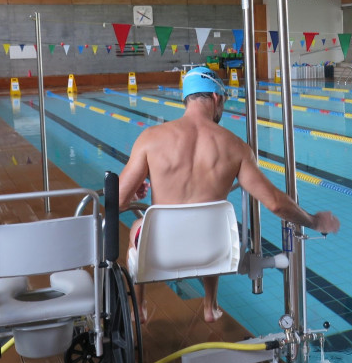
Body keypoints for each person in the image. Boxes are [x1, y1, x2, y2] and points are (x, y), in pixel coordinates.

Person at [119, 66, 339, 324]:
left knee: (138, 224)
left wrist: (134, 195)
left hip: (160, 251)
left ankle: (139, 309)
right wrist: (313, 221)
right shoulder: (236, 147)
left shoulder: (150, 139)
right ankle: (210, 306)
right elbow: (276, 204)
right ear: (216, 98)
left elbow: (119, 200)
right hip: (214, 252)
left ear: (187, 99)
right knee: (209, 226)